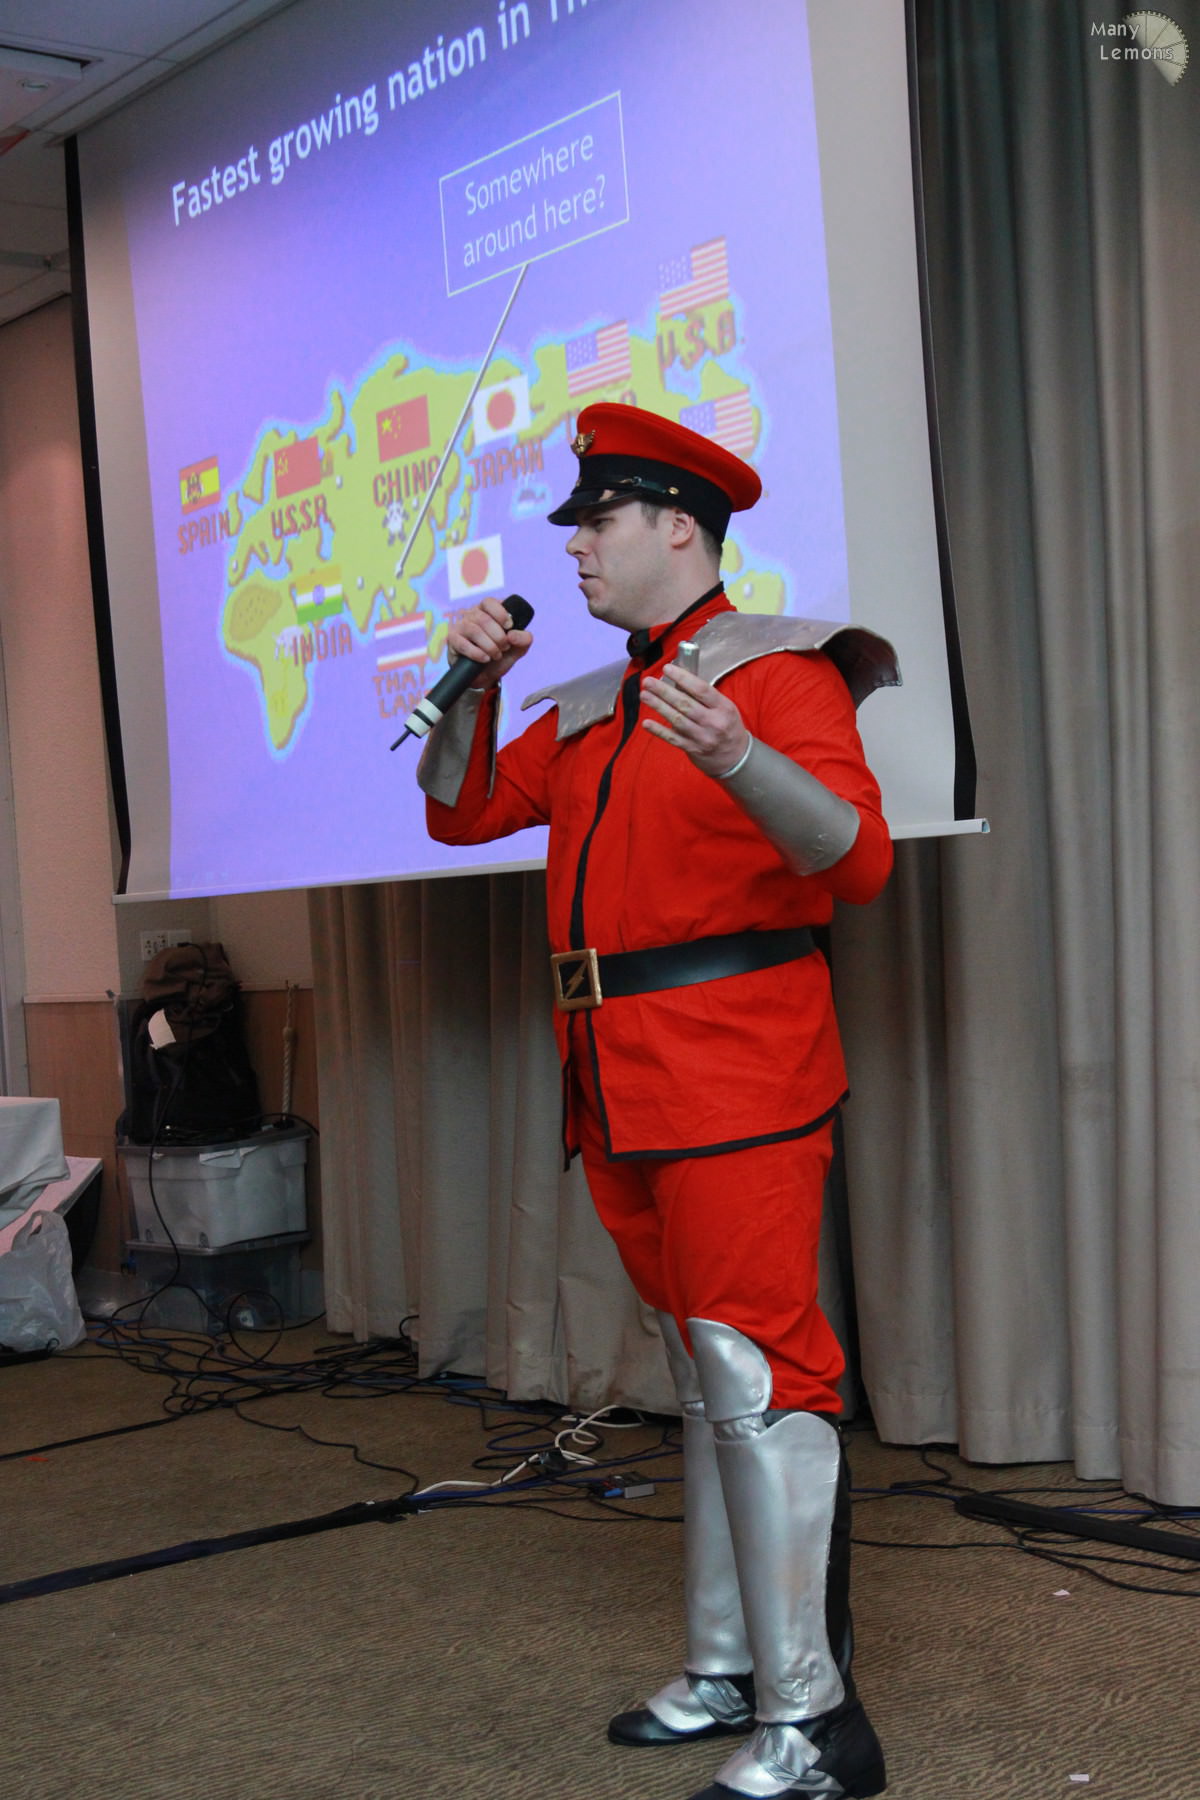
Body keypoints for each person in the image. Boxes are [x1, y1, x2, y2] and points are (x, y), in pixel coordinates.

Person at [418, 401, 896, 1800]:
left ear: (677, 526)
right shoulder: (593, 701)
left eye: (599, 521)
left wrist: (741, 754)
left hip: (740, 1072)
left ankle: (817, 1724)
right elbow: (457, 810)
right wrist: (469, 686)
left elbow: (858, 862)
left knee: (758, 1371)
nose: (575, 547)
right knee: (704, 1370)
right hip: (616, 1079)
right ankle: (730, 1664)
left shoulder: (784, 672)